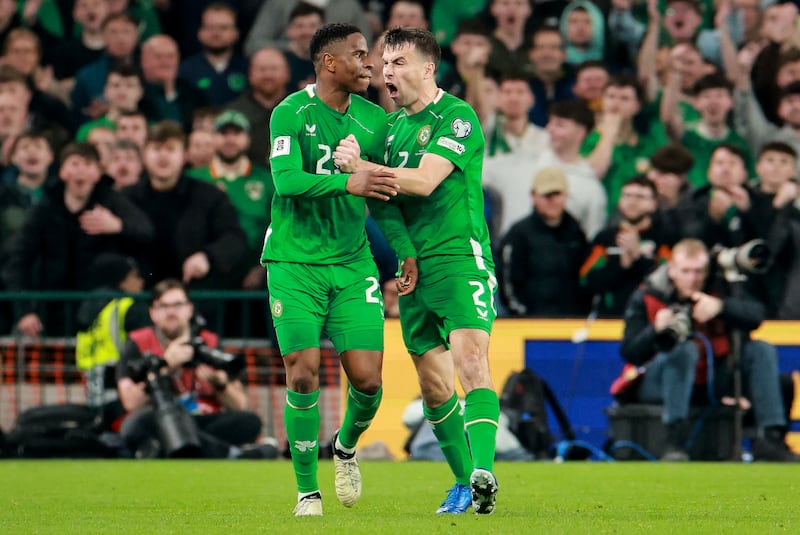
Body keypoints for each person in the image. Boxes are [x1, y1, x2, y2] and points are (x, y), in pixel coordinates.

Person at [335, 27, 500, 515]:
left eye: (399, 62)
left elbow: (426, 181)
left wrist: (361, 166)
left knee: (471, 361)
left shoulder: (458, 116)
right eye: (385, 63)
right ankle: (464, 482)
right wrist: (404, 251)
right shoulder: (390, 130)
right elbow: (382, 204)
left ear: (428, 68)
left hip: (459, 258)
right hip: (417, 268)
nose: (387, 71)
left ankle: (484, 469)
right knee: (433, 385)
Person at [262, 23, 398, 517]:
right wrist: (348, 183)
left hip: (350, 262)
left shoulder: (375, 120)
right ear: (329, 62)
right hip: (294, 262)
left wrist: (405, 252)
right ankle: (306, 492)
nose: (370, 65)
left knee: (367, 381)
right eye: (360, 56)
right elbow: (287, 180)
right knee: (302, 374)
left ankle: (344, 446)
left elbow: (382, 195)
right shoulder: (290, 113)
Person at [617, 238, 796, 461]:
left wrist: (721, 307)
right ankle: (675, 441)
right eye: (686, 271)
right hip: (660, 379)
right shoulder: (648, 294)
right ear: (671, 270)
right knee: (684, 351)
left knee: (761, 349)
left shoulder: (720, 287)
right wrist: (655, 329)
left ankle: (771, 438)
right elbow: (629, 352)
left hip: (712, 377)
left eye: (699, 271)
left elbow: (756, 316)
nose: (693, 278)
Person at [3, 142, 154, 337]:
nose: (80, 171)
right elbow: (19, 260)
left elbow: (146, 231)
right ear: (62, 171)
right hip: (51, 308)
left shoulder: (111, 201)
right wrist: (25, 311)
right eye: (74, 164)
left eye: (88, 164)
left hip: (99, 306)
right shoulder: (46, 207)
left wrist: (119, 226)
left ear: (98, 173)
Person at [115, 279, 275, 459]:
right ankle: (231, 454)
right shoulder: (138, 342)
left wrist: (220, 383)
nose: (171, 312)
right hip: (160, 417)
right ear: (152, 312)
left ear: (189, 309)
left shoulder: (209, 342)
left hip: (201, 419)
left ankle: (175, 448)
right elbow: (130, 402)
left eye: (177, 305)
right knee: (137, 424)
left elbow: (240, 405)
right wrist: (165, 365)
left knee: (249, 421)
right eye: (163, 306)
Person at [498, 167, 591, 317]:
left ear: (566, 195)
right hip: (529, 324)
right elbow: (507, 282)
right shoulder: (518, 234)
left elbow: (586, 279)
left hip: (571, 323)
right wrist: (522, 314)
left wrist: (581, 313)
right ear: (534, 196)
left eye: (557, 194)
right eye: (546, 195)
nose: (552, 200)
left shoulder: (577, 233)